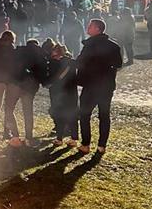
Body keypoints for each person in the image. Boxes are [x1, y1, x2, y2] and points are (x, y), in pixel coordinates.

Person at [76, 19, 123, 154]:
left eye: (90, 26)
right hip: (107, 86)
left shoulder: (90, 45)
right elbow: (119, 64)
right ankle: (102, 146)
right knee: (104, 115)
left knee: (84, 114)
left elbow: (81, 62)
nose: (87, 27)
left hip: (91, 85)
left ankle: (86, 144)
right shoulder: (114, 46)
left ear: (97, 29)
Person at [5, 39, 46, 147]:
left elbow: (9, 66)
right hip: (30, 87)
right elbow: (43, 72)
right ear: (37, 45)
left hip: (15, 84)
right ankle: (28, 137)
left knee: (9, 109)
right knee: (28, 112)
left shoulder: (18, 51)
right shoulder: (40, 54)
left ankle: (15, 137)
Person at [47, 44, 78, 147]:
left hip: (57, 93)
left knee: (58, 115)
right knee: (72, 114)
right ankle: (74, 138)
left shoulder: (53, 63)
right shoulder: (72, 62)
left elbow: (51, 78)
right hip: (72, 92)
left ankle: (59, 138)